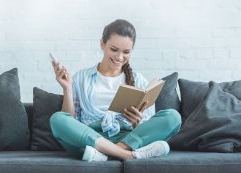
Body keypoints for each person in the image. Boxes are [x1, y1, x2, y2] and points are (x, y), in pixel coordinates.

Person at [49, 19, 181, 162]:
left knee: (173, 117)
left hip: (125, 138)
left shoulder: (139, 80)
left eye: (126, 52)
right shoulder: (82, 78)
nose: (119, 57)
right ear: (102, 44)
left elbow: (146, 128)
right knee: (58, 119)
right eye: (114, 49)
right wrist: (67, 88)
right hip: (89, 138)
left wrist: (137, 123)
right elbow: (70, 120)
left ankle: (106, 154)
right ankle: (127, 155)